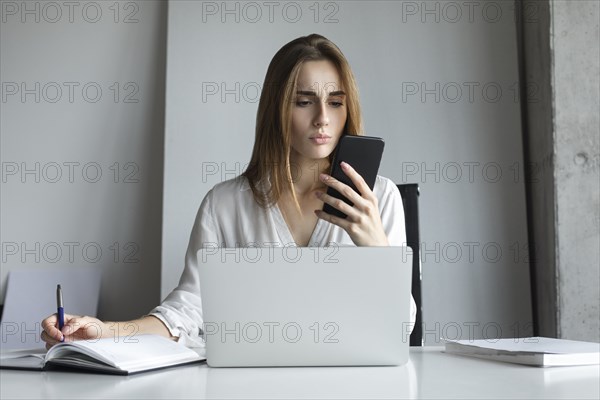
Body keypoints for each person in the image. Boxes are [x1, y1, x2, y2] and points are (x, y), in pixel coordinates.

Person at [41, 33, 416, 349]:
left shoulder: (379, 198)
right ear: (276, 109)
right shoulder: (225, 205)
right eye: (304, 101)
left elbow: (403, 326)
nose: (322, 118)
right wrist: (106, 331)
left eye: (335, 102)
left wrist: (378, 251)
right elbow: (187, 311)